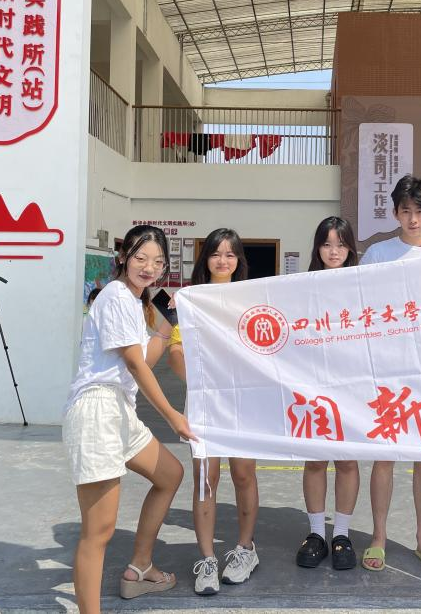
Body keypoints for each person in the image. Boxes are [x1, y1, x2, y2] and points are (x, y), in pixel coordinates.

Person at [62, 225, 195, 614]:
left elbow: (145, 359)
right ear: (123, 258)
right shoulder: (117, 295)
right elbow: (136, 365)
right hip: (97, 410)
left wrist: (168, 319)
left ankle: (140, 567)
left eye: (157, 262)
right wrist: (173, 416)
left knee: (169, 474)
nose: (148, 267)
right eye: (140, 258)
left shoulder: (136, 303)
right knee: (99, 531)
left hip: (119, 409)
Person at [359, 174, 421, 573]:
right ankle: (378, 537)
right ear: (395, 213)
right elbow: (355, 304)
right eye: (406, 211)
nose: (413, 219)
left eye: (420, 211)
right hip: (387, 370)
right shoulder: (378, 255)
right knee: (384, 457)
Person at [168, 228, 260, 596]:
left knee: (243, 474)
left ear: (239, 261)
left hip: (244, 403)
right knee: (206, 478)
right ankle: (207, 559)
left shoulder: (251, 298)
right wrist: (201, 384)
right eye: (216, 253)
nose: (223, 260)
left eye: (230, 254)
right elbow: (176, 351)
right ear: (205, 258)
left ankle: (245, 549)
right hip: (206, 404)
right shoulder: (192, 299)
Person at [294, 216, 361, 571]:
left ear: (350, 248)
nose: (333, 252)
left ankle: (342, 534)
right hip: (313, 386)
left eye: (341, 244)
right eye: (326, 244)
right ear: (317, 248)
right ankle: (317, 533)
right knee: (316, 460)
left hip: (352, 386)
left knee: (347, 461)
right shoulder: (301, 286)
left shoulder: (363, 285)